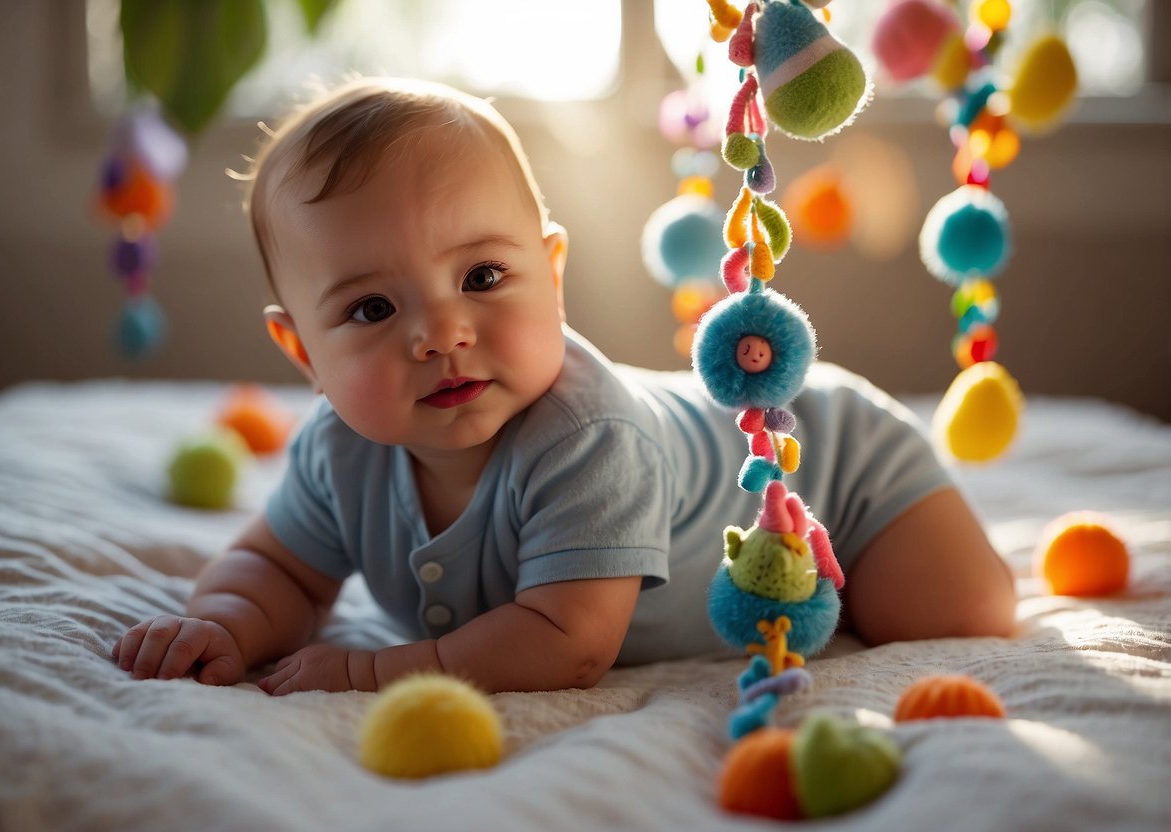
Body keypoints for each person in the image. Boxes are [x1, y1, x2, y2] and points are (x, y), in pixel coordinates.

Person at [113, 78, 1015, 695]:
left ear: (550, 270)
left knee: (952, 613)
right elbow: (276, 567)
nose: (440, 334)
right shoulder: (336, 450)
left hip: (823, 458)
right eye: (372, 309)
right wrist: (225, 626)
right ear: (301, 351)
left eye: (480, 279)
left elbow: (568, 641)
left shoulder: (585, 435)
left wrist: (369, 673)